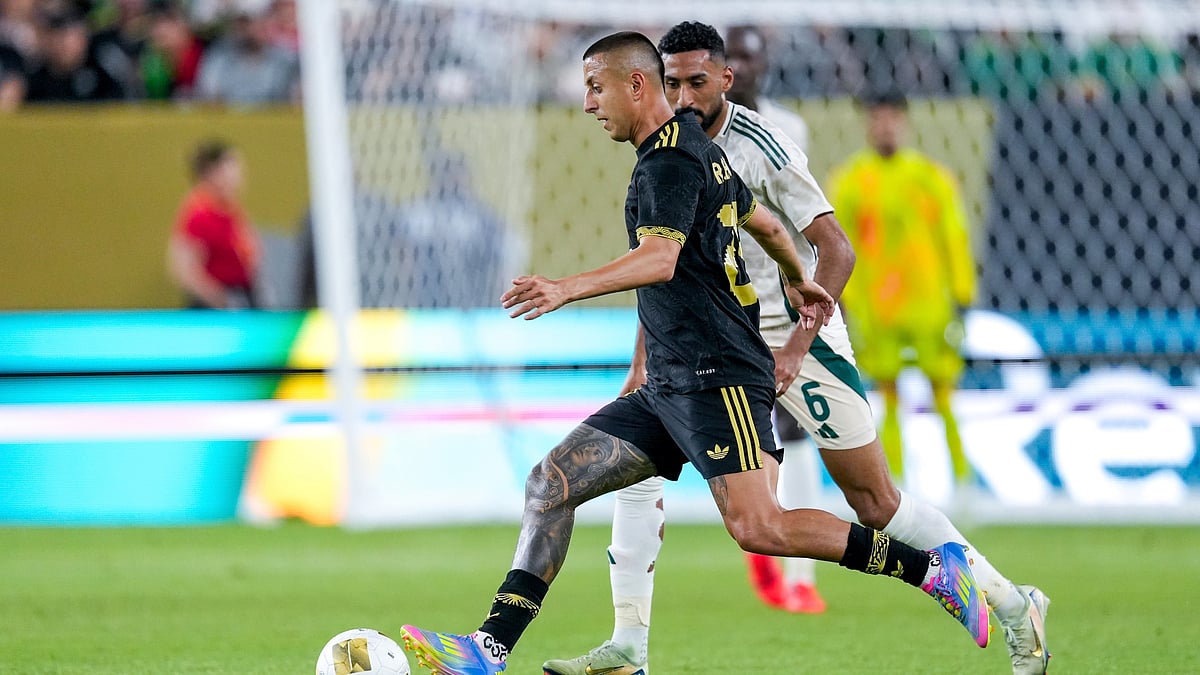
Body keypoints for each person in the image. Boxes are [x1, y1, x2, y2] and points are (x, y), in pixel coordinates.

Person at [398, 30, 990, 675]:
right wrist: (797, 275)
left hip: (721, 377)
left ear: (635, 85)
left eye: (595, 88)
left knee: (759, 527)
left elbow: (660, 258)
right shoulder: (696, 149)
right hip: (671, 381)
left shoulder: (669, 163)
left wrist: (566, 287)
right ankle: (489, 649)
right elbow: (763, 220)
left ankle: (931, 571)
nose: (588, 104)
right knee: (551, 482)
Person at [543, 23, 1048, 675]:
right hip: (715, 345)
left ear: (726, 80)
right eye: (672, 82)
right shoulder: (661, 149)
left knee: (875, 502)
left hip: (797, 339)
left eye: (698, 81)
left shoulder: (765, 145)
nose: (684, 96)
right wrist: (642, 362)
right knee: (644, 469)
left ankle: (1011, 603)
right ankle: (628, 645)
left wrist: (796, 345)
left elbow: (836, 249)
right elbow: (669, 265)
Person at [827, 90, 977, 490]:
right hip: (878, 311)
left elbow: (954, 237)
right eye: (877, 118)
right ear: (867, 125)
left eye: (891, 118)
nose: (885, 126)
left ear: (904, 122)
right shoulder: (851, 181)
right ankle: (895, 485)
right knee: (888, 396)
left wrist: (962, 294)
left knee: (944, 394)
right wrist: (846, 300)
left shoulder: (931, 178)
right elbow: (840, 244)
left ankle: (964, 483)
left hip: (929, 308)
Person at [724, 21, 825, 614]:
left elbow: (805, 212)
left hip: (782, 301)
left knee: (794, 427)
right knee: (733, 430)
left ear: (763, 64)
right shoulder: (698, 133)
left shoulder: (789, 130)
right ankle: (759, 541)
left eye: (749, 56)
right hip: (726, 300)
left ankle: (802, 578)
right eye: (732, 56)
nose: (741, 66)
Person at [167, 139, 262, 308]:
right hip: (216, 306)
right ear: (213, 173)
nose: (239, 176)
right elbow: (184, 270)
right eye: (232, 168)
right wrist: (222, 300)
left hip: (241, 295)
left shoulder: (229, 209)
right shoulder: (200, 214)